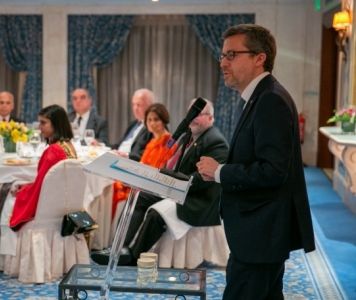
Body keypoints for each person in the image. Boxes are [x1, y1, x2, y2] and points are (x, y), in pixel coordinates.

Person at [196, 24, 315, 299]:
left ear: (259, 57)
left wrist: (221, 172)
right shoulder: (255, 97)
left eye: (232, 55)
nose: (223, 62)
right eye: (223, 55)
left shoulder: (270, 100)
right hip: (256, 232)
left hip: (260, 233)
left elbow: (274, 171)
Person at [92, 99, 228, 265]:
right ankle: (119, 247)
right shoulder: (192, 136)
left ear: (211, 118)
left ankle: (134, 257)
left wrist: (171, 183)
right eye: (191, 113)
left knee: (156, 213)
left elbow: (203, 180)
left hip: (198, 199)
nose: (193, 118)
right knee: (140, 196)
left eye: (198, 114)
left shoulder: (215, 141)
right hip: (181, 190)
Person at [7, 104, 77, 231]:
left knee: (8, 201)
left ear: (56, 124)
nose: (39, 127)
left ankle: (3, 250)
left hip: (49, 210)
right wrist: (30, 185)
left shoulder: (53, 151)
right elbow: (51, 182)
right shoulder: (69, 145)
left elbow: (40, 190)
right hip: (64, 206)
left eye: (43, 123)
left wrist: (24, 191)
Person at [112, 103, 179, 217]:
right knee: (112, 183)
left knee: (115, 188)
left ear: (164, 121)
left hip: (153, 185)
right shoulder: (152, 141)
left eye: (156, 119)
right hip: (142, 179)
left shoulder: (169, 142)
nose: (152, 123)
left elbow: (159, 169)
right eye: (149, 120)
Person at [112, 89, 154, 161]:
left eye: (139, 104)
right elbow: (119, 145)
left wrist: (127, 155)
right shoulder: (133, 124)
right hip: (117, 158)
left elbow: (152, 154)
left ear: (150, 106)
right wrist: (102, 146)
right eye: (134, 104)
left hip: (131, 164)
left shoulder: (155, 126)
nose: (135, 108)